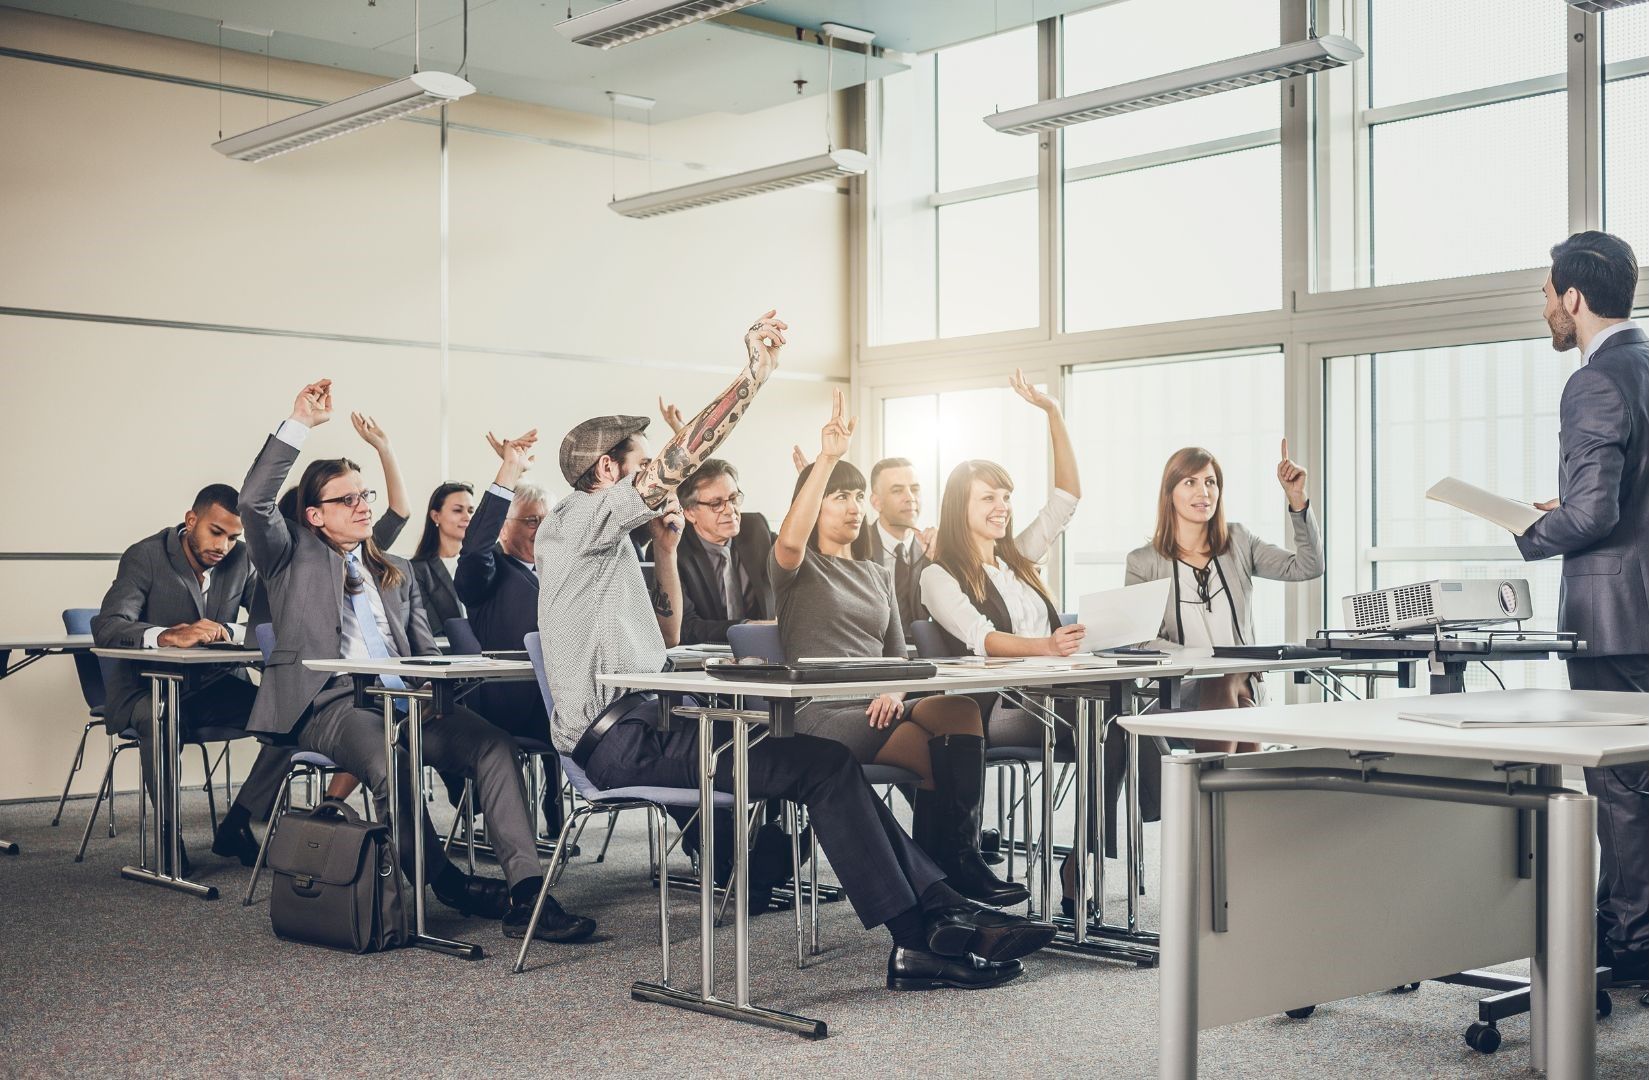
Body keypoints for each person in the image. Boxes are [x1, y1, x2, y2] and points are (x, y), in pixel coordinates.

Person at [538, 313, 1053, 991]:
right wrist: (753, 377)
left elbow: (665, 639)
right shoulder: (577, 519)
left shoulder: (607, 549)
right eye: (638, 458)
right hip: (618, 742)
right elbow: (679, 460)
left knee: (827, 764)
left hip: (656, 721)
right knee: (820, 766)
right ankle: (926, 930)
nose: (652, 472)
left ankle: (937, 919)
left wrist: (664, 553)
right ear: (608, 470)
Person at [242, 379, 595, 945]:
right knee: (390, 762)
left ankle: (529, 894)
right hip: (333, 704)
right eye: (347, 499)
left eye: (366, 496)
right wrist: (299, 424)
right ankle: (445, 882)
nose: (362, 506)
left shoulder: (395, 570)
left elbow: (426, 650)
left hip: (408, 700)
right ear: (313, 514)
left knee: (493, 746)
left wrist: (435, 690)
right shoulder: (289, 555)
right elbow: (254, 501)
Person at [771, 392, 1025, 907]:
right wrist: (827, 460)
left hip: (880, 704)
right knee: (927, 754)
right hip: (824, 712)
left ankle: (955, 862)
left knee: (955, 711)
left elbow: (900, 655)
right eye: (839, 496)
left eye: (858, 496)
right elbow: (792, 539)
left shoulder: (875, 572)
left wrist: (892, 688)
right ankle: (946, 874)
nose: (852, 505)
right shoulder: (794, 569)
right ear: (812, 505)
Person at [1516, 230, 1649, 983]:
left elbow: (1594, 516)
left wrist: (1530, 526)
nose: (1544, 309)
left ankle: (1629, 944)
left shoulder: (1594, 380)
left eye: (1545, 294)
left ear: (1572, 296)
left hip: (1615, 620)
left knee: (1622, 789)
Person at [91, 484, 291, 868]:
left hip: (212, 688)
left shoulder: (241, 560)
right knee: (159, 716)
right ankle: (168, 836)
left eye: (233, 537)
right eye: (216, 532)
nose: (224, 546)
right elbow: (109, 625)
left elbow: (268, 622)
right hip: (146, 691)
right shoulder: (145, 556)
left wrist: (226, 629)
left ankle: (239, 821)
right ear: (191, 520)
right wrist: (165, 635)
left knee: (292, 716)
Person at [1124, 442, 1324, 753]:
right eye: (1190, 482)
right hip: (1181, 688)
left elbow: (1308, 567)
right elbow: (1139, 641)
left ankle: (1209, 792)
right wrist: (1203, 658)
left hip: (1241, 680)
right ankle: (1231, 794)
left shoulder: (1239, 542)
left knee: (1229, 679)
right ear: (1170, 493)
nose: (1203, 492)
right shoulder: (1143, 562)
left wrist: (1296, 498)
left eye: (1210, 482)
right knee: (1235, 698)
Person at [455, 428, 565, 835]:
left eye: (548, 520)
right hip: (513, 704)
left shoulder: (559, 571)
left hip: (562, 697)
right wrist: (507, 474)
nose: (542, 528)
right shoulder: (486, 572)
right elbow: (474, 546)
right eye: (532, 520)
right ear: (504, 528)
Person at [674, 459, 776, 644]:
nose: (730, 510)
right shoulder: (674, 551)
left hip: (764, 655)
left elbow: (798, 552)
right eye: (716, 503)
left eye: (734, 498)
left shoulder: (756, 529)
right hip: (701, 663)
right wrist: (747, 627)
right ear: (689, 512)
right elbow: (686, 628)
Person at [410, 481, 475, 634]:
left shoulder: (482, 563)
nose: (467, 517)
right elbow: (431, 630)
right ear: (436, 516)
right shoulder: (417, 570)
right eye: (458, 510)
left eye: (471, 511)